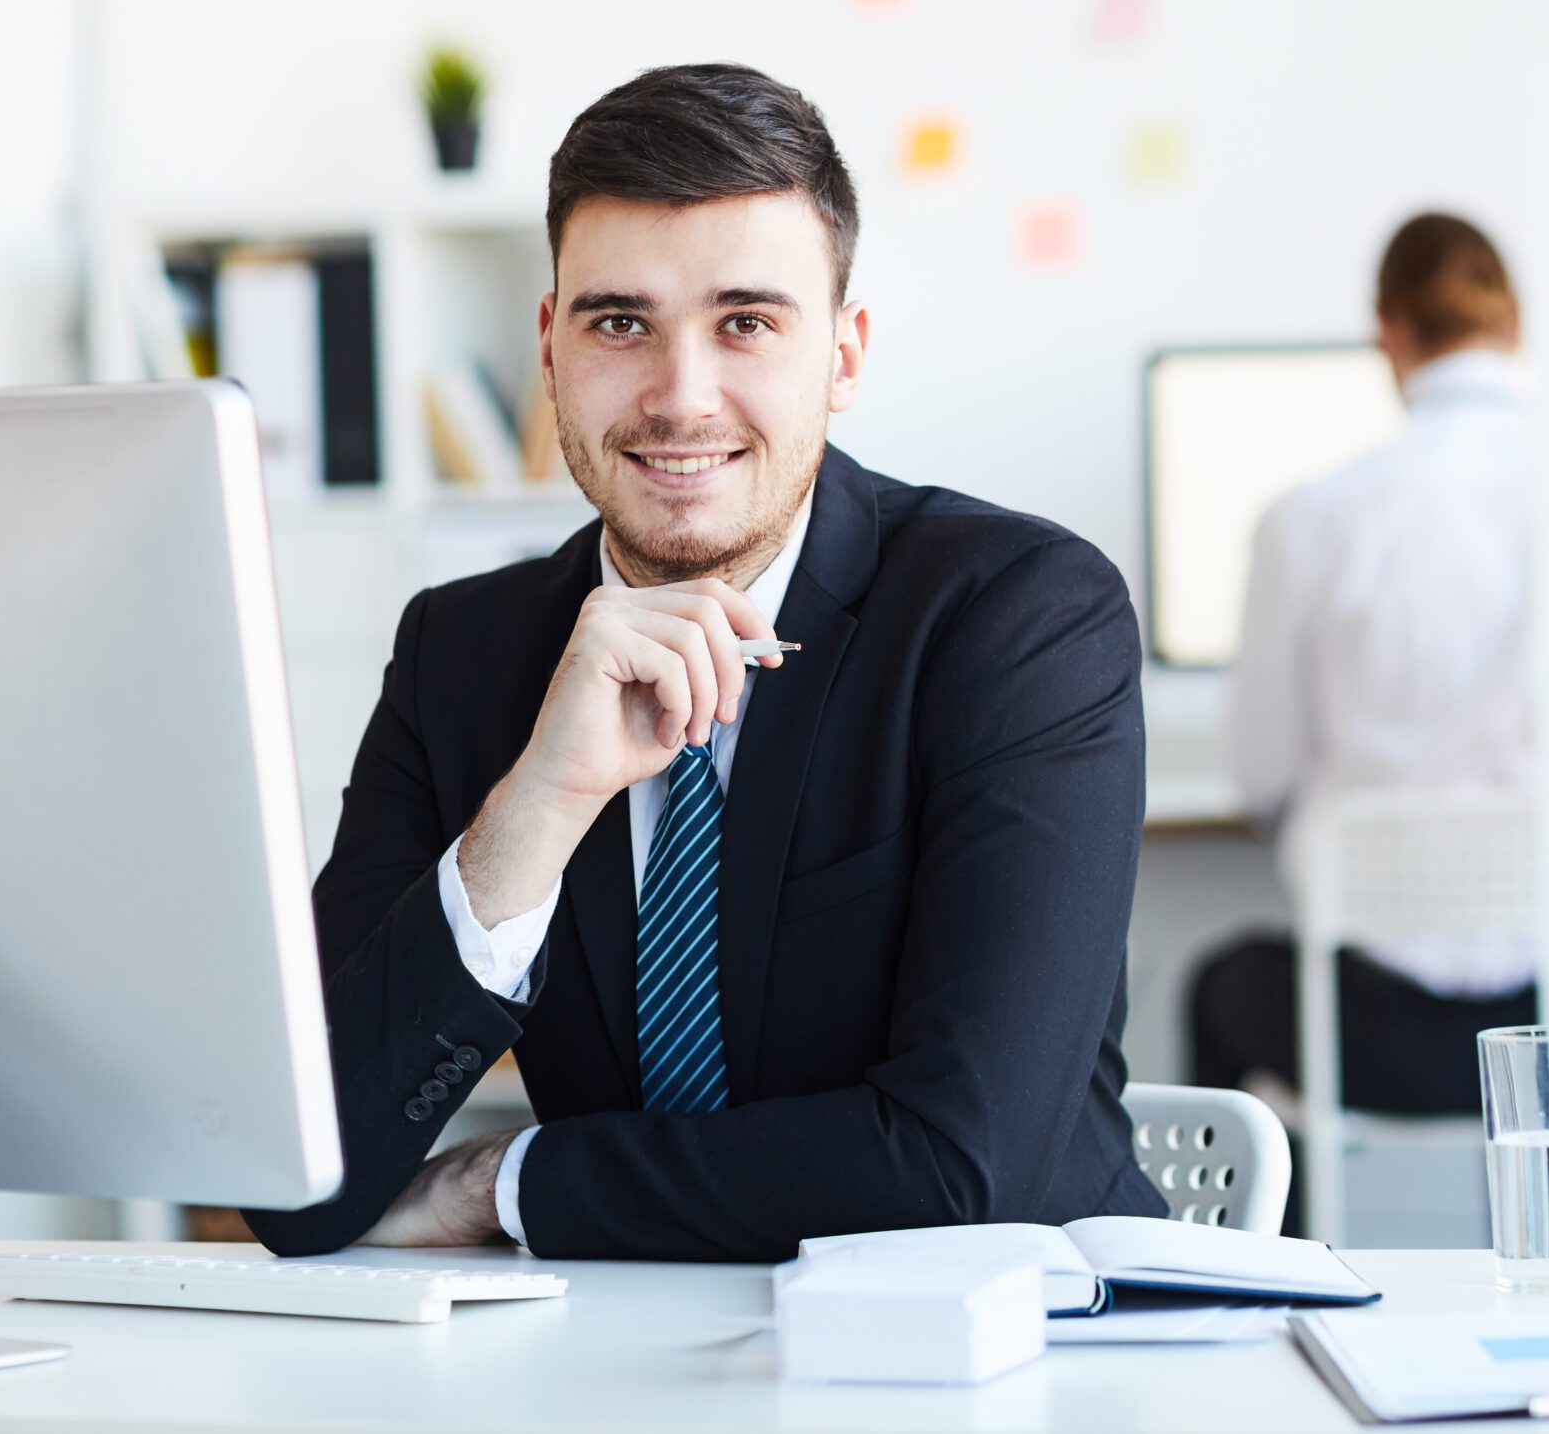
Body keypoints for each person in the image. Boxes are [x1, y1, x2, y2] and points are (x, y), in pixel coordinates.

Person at [245, 64, 1163, 1260]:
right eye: (620, 322)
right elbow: (297, 1183)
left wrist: (505, 1185)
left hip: (1005, 1357)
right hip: (620, 1364)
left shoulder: (1016, 617)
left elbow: (958, 1167)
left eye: (746, 322)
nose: (681, 399)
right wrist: (539, 806)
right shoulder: (459, 656)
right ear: (552, 348)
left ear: (841, 353)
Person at [1189, 212, 1536, 1121]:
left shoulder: (1313, 517)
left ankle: (1266, 1261)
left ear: (1387, 332)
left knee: (1222, 985)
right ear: (1516, 326)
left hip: (1379, 1029)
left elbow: (1258, 776)